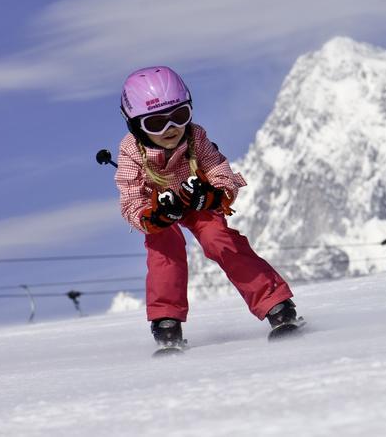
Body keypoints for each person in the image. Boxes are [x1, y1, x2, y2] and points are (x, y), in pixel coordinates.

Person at [114, 66, 299, 347]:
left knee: (218, 239)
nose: (170, 129)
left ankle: (275, 302)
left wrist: (213, 195)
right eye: (155, 124)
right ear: (135, 125)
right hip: (159, 209)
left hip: (195, 197)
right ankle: (166, 319)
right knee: (164, 247)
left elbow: (219, 170)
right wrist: (152, 217)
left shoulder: (195, 137)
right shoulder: (131, 151)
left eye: (179, 116)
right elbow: (130, 198)